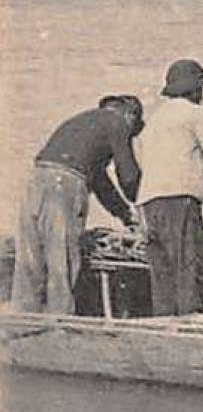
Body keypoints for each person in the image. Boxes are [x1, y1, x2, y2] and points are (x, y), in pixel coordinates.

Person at [11, 96, 144, 314]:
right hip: (65, 183)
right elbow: (127, 174)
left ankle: (25, 318)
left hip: (37, 178)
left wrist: (123, 213)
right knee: (61, 255)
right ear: (131, 115)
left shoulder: (84, 121)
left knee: (30, 254)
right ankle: (60, 319)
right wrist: (140, 203)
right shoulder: (118, 122)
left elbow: (100, 181)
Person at [135, 59, 203, 316]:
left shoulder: (156, 120)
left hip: (148, 202)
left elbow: (165, 163)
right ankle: (192, 326)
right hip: (178, 201)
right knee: (188, 267)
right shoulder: (195, 113)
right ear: (194, 90)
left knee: (163, 272)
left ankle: (164, 325)